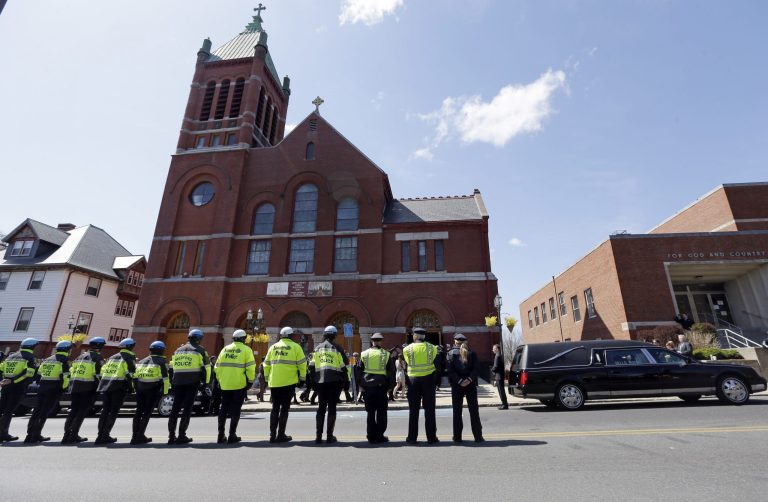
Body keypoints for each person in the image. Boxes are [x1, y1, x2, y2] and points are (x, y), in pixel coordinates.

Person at [264, 326, 307, 443]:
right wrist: (302, 379)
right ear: (291, 335)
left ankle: (272, 435)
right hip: (289, 383)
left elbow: (266, 365)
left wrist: (268, 379)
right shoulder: (295, 347)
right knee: (284, 409)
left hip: (274, 383)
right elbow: (302, 364)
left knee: (275, 408)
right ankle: (281, 434)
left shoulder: (273, 347)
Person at [168, 328, 211, 445]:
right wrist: (206, 383)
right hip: (192, 382)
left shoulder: (177, 350)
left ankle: (171, 436)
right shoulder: (200, 350)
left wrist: (172, 381)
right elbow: (207, 367)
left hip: (178, 382)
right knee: (187, 409)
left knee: (175, 409)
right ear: (199, 339)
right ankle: (182, 435)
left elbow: (171, 367)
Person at [25, 340, 73, 443]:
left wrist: (40, 384)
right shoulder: (64, 360)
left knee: (36, 411)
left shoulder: (47, 359)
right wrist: (64, 388)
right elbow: (66, 376)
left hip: (42, 387)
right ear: (67, 349)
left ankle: (29, 435)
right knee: (44, 413)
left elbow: (38, 374)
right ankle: (36, 435)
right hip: (54, 389)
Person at [214, 329, 256, 444]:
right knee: (236, 410)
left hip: (225, 384)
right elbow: (251, 368)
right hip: (239, 384)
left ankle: (220, 435)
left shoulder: (225, 349)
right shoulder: (246, 350)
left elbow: (216, 367)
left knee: (223, 409)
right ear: (243, 338)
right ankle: (232, 435)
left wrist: (220, 380)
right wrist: (250, 382)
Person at [63, 336, 106, 443]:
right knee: (81, 412)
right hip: (87, 388)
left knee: (73, 411)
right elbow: (97, 375)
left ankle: (66, 436)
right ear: (100, 346)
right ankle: (74, 435)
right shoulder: (97, 358)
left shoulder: (80, 356)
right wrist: (99, 388)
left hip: (74, 387)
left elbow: (72, 370)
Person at [95, 338, 137, 445]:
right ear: (130, 346)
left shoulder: (112, 357)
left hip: (106, 386)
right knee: (113, 412)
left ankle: (100, 435)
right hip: (118, 387)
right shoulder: (129, 357)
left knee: (105, 411)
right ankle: (105, 435)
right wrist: (132, 387)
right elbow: (131, 373)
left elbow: (103, 371)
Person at [403, 327, 440, 445]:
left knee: (413, 410)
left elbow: (407, 362)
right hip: (428, 380)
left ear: (414, 336)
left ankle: (412, 438)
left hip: (413, 380)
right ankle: (431, 437)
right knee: (429, 410)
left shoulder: (407, 349)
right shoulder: (432, 348)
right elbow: (436, 363)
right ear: (424, 336)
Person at [313, 326, 349, 444]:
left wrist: (314, 381)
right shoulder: (337, 348)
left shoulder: (317, 348)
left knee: (321, 409)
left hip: (321, 383)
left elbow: (311, 366)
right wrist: (345, 381)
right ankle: (329, 436)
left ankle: (318, 437)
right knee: (332, 408)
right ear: (334, 336)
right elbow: (344, 365)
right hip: (335, 383)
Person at [446, 334, 484, 443]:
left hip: (457, 386)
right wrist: (469, 379)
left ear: (455, 342)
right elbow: (476, 369)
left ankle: (457, 437)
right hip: (470, 385)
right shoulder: (472, 353)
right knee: (474, 411)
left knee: (457, 412)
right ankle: (478, 436)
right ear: (465, 342)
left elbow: (450, 371)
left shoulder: (450, 354)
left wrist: (459, 381)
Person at [358, 333, 396, 444]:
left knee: (370, 413)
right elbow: (391, 372)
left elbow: (359, 371)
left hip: (368, 388)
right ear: (380, 341)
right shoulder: (386, 354)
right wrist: (390, 387)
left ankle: (371, 436)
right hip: (381, 387)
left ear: (372, 341)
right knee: (381, 413)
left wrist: (360, 385)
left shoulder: (364, 354)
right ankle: (379, 436)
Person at [131, 340, 170, 445]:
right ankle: (140, 436)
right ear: (162, 350)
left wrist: (136, 389)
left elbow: (134, 377)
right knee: (147, 413)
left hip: (140, 390)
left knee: (138, 412)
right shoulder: (161, 362)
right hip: (152, 390)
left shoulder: (141, 361)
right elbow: (165, 380)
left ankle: (134, 436)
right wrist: (165, 393)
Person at [0, 338, 39, 442]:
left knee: (1, 409)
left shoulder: (10, 356)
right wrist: (13, 381)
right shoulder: (30, 357)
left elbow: (1, 369)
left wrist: (2, 380)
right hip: (17, 387)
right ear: (33, 347)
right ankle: (3, 434)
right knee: (8, 411)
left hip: (5, 386)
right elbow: (28, 373)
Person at [491, 344, 509, 410]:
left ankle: (505, 405)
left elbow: (496, 366)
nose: (492, 350)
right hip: (499, 376)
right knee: (501, 391)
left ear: (497, 349)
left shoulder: (497, 356)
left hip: (499, 376)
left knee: (501, 391)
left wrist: (492, 370)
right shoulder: (498, 355)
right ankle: (504, 404)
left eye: (493, 348)